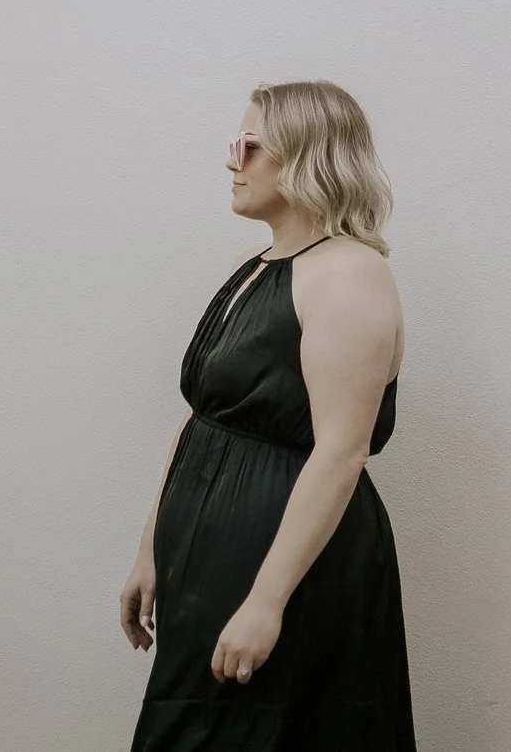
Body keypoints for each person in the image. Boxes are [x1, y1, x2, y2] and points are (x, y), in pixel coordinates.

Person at [122, 81, 414, 750]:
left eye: (249, 144)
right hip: (207, 553)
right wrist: (151, 546)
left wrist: (266, 600)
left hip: (285, 559)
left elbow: (342, 450)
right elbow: (203, 418)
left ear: (307, 156)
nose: (233, 160)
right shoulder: (253, 268)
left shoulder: (348, 273)